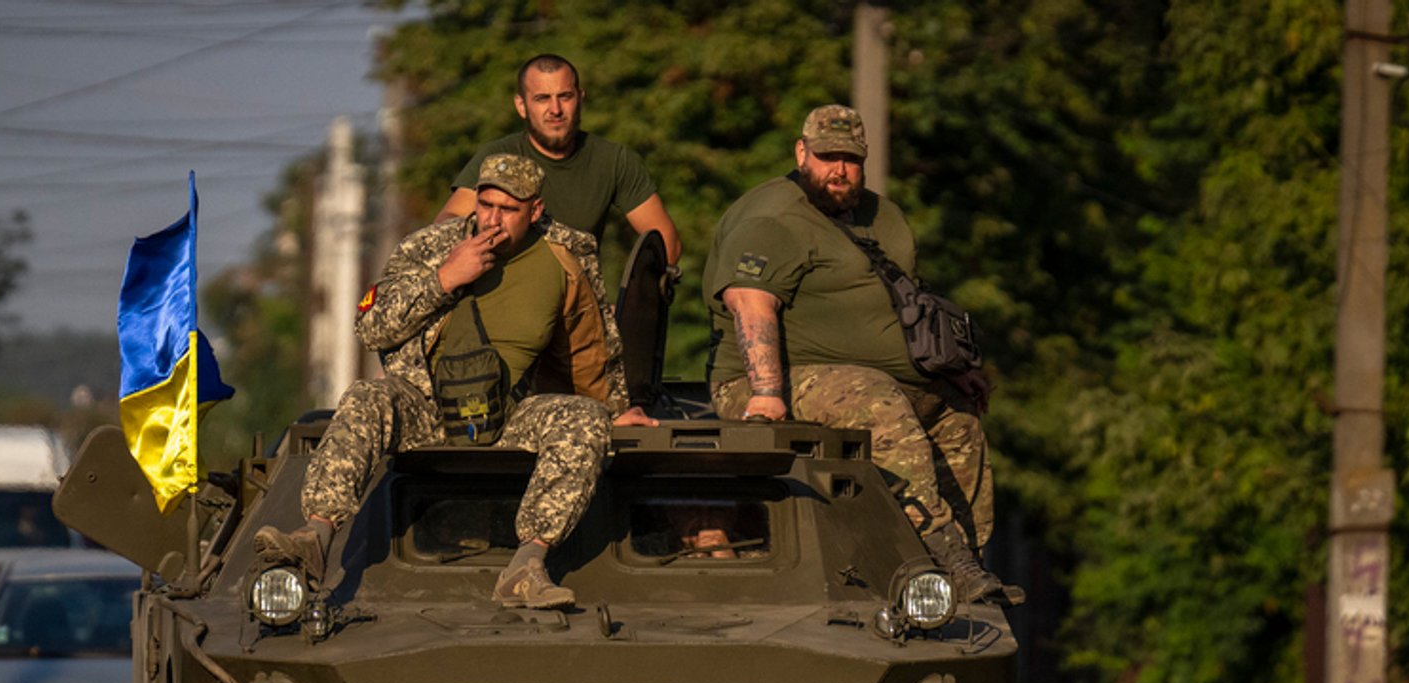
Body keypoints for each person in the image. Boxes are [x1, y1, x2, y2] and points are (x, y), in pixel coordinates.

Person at [256, 154, 655, 609]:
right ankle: (315, 537)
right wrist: (445, 278)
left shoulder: (568, 254)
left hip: (509, 411)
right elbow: (371, 328)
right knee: (367, 397)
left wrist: (615, 407)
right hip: (425, 405)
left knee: (584, 418)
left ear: (536, 210)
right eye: (485, 205)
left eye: (508, 209)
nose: (492, 219)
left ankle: (526, 566)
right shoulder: (430, 247)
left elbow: (590, 341)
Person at [703, 104, 1004, 601]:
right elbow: (750, 304)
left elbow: (903, 300)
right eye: (826, 157)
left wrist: (952, 371)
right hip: (767, 382)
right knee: (875, 396)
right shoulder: (772, 218)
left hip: (874, 382)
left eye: (851, 158)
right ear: (802, 153)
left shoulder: (882, 216)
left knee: (958, 416)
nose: (839, 169)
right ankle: (935, 548)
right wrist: (766, 393)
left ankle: (968, 563)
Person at [437, 54, 682, 267]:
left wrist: (631, 304)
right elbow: (446, 223)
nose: (555, 109)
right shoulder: (496, 157)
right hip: (503, 298)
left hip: (578, 304)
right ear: (521, 106)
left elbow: (666, 243)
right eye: (542, 98)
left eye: (565, 96)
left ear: (580, 98)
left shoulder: (615, 160)